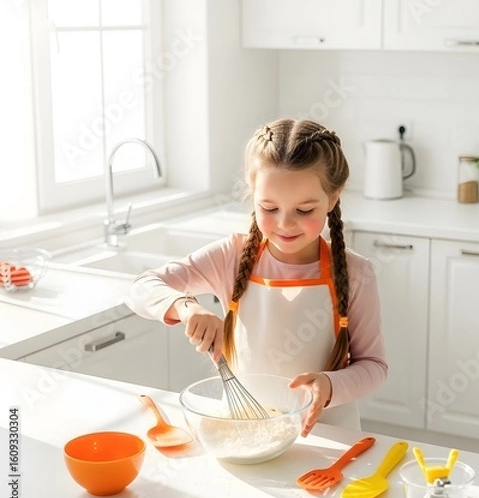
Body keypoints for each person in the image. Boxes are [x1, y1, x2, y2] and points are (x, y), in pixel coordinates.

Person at [127, 118, 387, 436]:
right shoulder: (231, 257)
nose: (285, 224)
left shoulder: (356, 272)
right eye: (269, 207)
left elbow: (373, 366)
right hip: (246, 429)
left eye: (304, 210)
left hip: (329, 436)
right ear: (253, 194)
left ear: (333, 199)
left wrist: (330, 385)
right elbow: (139, 287)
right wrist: (186, 307)